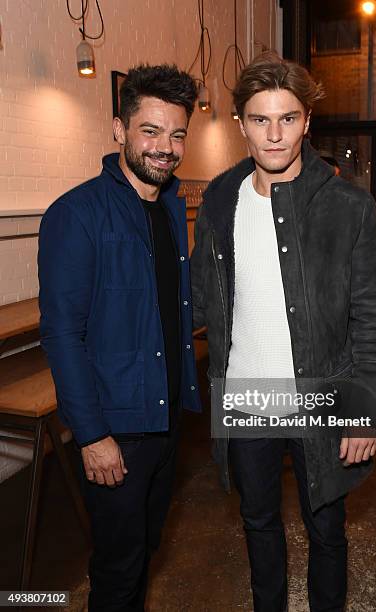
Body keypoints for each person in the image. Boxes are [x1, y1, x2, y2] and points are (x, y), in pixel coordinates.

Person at [191, 52, 376, 612]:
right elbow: (201, 296)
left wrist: (364, 410)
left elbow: (373, 314)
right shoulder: (220, 201)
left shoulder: (348, 206)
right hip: (248, 398)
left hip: (322, 394)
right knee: (258, 525)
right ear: (240, 124)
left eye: (288, 118)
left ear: (307, 121)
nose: (275, 135)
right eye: (260, 119)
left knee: (327, 529)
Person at [38, 64, 201, 611]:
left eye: (177, 134)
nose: (165, 147)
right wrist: (91, 436)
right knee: (116, 569)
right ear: (119, 129)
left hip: (167, 419)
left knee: (145, 550)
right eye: (150, 131)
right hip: (118, 434)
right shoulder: (77, 214)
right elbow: (62, 334)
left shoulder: (171, 209)